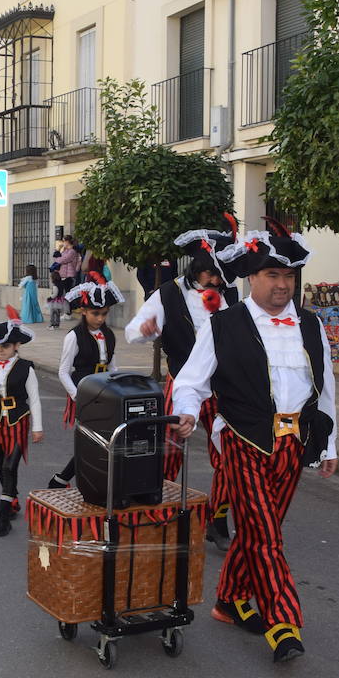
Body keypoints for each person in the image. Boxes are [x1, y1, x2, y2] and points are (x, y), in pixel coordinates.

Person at [172, 219, 338, 664]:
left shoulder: (310, 324)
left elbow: (326, 386)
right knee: (265, 537)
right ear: (251, 277)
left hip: (294, 445)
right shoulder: (224, 324)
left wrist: (330, 444)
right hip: (244, 442)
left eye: (288, 276)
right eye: (272, 275)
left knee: (260, 530)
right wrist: (187, 411)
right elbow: (190, 381)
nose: (282, 285)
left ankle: (228, 601)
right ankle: (283, 623)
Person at [124, 218, 242, 548]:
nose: (216, 282)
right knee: (170, 453)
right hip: (182, 383)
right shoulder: (168, 294)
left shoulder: (228, 294)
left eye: (221, 276)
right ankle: (160, 515)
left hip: (223, 386)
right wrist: (145, 330)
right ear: (196, 268)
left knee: (229, 456)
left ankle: (216, 521)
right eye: (211, 274)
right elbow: (133, 330)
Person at [46, 273, 124, 489]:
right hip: (84, 393)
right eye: (95, 313)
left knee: (103, 439)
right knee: (90, 439)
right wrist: (77, 396)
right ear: (83, 311)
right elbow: (63, 371)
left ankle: (64, 479)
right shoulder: (73, 336)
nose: (100, 319)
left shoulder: (109, 335)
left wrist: (119, 390)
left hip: (105, 393)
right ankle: (62, 479)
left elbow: (113, 367)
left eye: (104, 314)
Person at [0, 310, 43, 537]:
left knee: (9, 466)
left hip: (18, 422)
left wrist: (37, 427)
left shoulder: (26, 368)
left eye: (5, 346)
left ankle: (2, 518)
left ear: (16, 346)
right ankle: (12, 499)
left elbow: (34, 398)